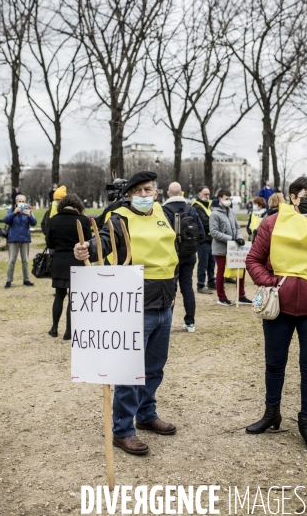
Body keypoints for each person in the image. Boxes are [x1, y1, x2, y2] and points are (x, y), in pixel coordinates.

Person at [74, 171, 178, 456]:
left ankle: (146, 415)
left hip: (164, 303)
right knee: (129, 373)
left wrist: (174, 292)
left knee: (154, 368)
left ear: (157, 193)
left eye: (150, 190)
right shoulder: (118, 218)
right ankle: (122, 430)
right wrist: (89, 249)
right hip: (134, 305)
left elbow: (172, 253)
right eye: (140, 191)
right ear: (129, 194)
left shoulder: (163, 214)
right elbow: (103, 242)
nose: (145, 195)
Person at [245, 177, 307, 453]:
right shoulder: (272, 223)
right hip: (279, 308)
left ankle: (306, 422)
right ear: (292, 197)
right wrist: (271, 283)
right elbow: (253, 259)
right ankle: (271, 413)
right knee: (274, 364)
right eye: (304, 194)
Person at [45, 194, 91, 340]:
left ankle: (54, 328)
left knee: (59, 296)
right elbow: (89, 241)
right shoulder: (83, 220)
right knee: (74, 298)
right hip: (77, 261)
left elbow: (50, 244)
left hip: (59, 261)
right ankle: (69, 331)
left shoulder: (54, 220)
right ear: (78, 206)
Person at [162, 182, 204, 333]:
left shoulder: (163, 210)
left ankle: (167, 322)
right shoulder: (191, 208)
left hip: (172, 256)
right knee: (187, 288)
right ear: (181, 193)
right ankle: (190, 322)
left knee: (170, 289)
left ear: (168, 194)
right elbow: (201, 233)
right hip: (190, 254)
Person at [209, 189, 252, 307]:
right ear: (220, 199)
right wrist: (230, 238)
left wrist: (239, 237)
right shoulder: (214, 214)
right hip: (221, 248)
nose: (228, 201)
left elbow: (237, 227)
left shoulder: (231, 212)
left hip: (234, 248)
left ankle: (241, 296)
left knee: (240, 269)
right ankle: (221, 297)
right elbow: (214, 232)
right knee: (221, 272)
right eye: (226, 199)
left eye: (229, 199)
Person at [3, 194, 37, 288]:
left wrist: (30, 216)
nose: (21, 203)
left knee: (25, 260)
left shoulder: (28, 211)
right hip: (13, 239)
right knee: (11, 261)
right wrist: (14, 213)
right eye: (19, 201)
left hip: (25, 238)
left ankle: (26, 279)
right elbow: (5, 220)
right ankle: (9, 280)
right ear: (16, 202)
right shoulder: (11, 211)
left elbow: (34, 223)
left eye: (23, 201)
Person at [192, 186, 216, 293]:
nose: (207, 196)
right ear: (199, 195)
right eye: (205, 194)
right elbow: (206, 223)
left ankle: (211, 281)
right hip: (203, 240)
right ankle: (200, 285)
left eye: (208, 194)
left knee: (211, 263)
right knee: (203, 263)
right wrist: (215, 224)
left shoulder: (208, 206)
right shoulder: (197, 207)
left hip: (211, 239)